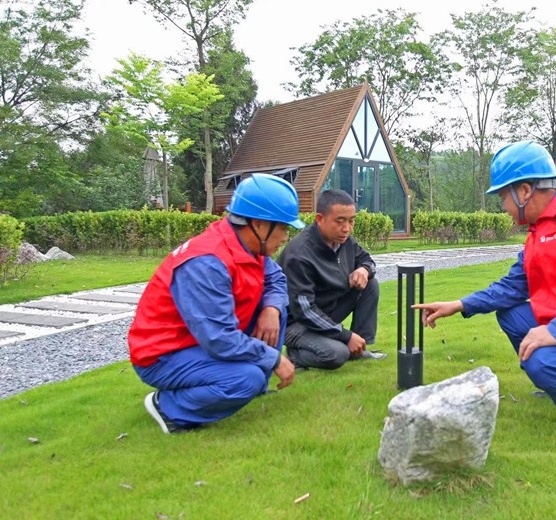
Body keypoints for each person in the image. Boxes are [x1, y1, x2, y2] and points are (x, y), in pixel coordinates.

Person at [412, 141, 556, 428]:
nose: (503, 207)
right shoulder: (541, 227)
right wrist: (459, 305)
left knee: (539, 359)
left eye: (503, 197)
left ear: (524, 190)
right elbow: (511, 287)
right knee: (512, 315)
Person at [128, 174, 305, 434]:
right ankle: (168, 407)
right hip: (163, 355)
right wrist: (272, 358)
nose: (285, 237)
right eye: (283, 228)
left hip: (195, 342)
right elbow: (219, 338)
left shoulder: (246, 245)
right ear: (258, 224)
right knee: (247, 379)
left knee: (275, 313)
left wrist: (271, 308)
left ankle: (244, 387)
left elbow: (275, 278)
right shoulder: (207, 263)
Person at [277, 189, 387, 370]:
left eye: (351, 221)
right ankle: (295, 355)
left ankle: (359, 348)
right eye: (340, 221)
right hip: (295, 323)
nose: (347, 228)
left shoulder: (344, 241)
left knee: (370, 283)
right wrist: (345, 336)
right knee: (336, 354)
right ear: (320, 219)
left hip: (325, 311)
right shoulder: (300, 255)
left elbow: (369, 261)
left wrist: (364, 269)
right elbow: (304, 311)